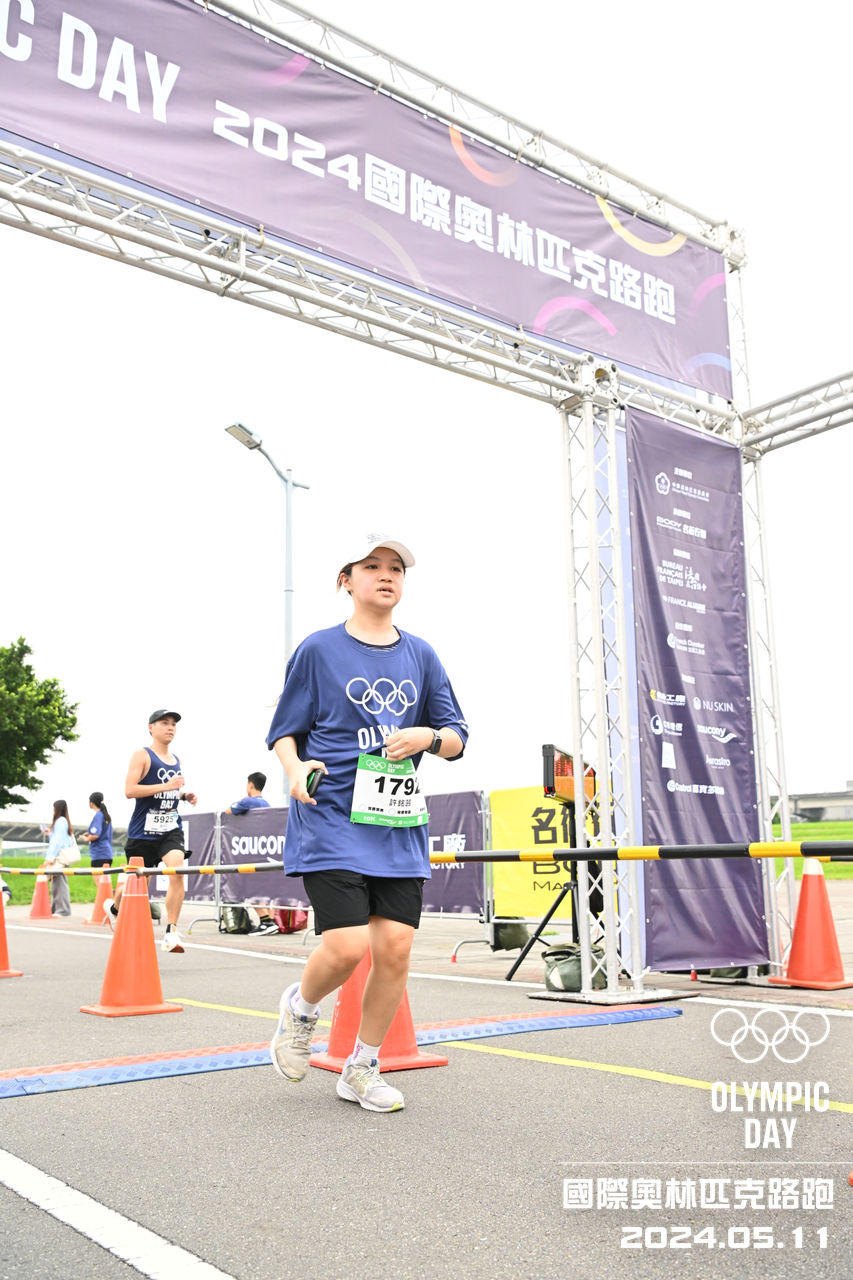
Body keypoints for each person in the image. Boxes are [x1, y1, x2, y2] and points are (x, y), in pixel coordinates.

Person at [266, 534, 468, 1112]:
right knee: (348, 946)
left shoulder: (421, 655)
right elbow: (284, 732)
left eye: (396, 568)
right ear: (346, 580)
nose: (386, 575)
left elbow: (457, 737)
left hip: (396, 821)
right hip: (331, 815)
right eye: (372, 566)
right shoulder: (318, 650)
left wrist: (428, 737)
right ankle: (301, 1010)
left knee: (396, 948)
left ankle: (362, 1066)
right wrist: (295, 768)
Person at [104, 709, 197, 952]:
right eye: (164, 723)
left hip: (170, 829)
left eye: (173, 724)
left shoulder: (175, 759)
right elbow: (130, 790)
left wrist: (183, 795)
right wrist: (167, 785)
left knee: (177, 871)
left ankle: (171, 932)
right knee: (135, 887)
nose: (170, 727)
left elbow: (168, 791)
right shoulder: (142, 755)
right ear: (151, 727)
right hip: (142, 833)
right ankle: (114, 908)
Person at [225, 772, 278, 935]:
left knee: (251, 888)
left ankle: (266, 922)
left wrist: (241, 801)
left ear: (250, 785)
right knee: (264, 889)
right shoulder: (267, 804)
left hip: (252, 853)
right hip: (265, 852)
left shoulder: (248, 802)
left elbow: (228, 811)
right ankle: (270, 921)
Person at [43, 799, 76, 916]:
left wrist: (49, 857)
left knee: (60, 884)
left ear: (57, 809)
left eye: (53, 808)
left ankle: (63, 910)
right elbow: (57, 838)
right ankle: (57, 909)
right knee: (56, 884)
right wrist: (50, 833)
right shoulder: (63, 821)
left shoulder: (60, 821)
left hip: (59, 858)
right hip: (61, 857)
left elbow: (57, 841)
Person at [78, 791, 114, 868]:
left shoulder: (98, 816)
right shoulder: (106, 815)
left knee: (99, 876)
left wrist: (85, 838)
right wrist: (89, 833)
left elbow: (95, 835)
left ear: (91, 803)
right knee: (106, 876)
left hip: (99, 854)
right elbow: (102, 832)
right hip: (107, 854)